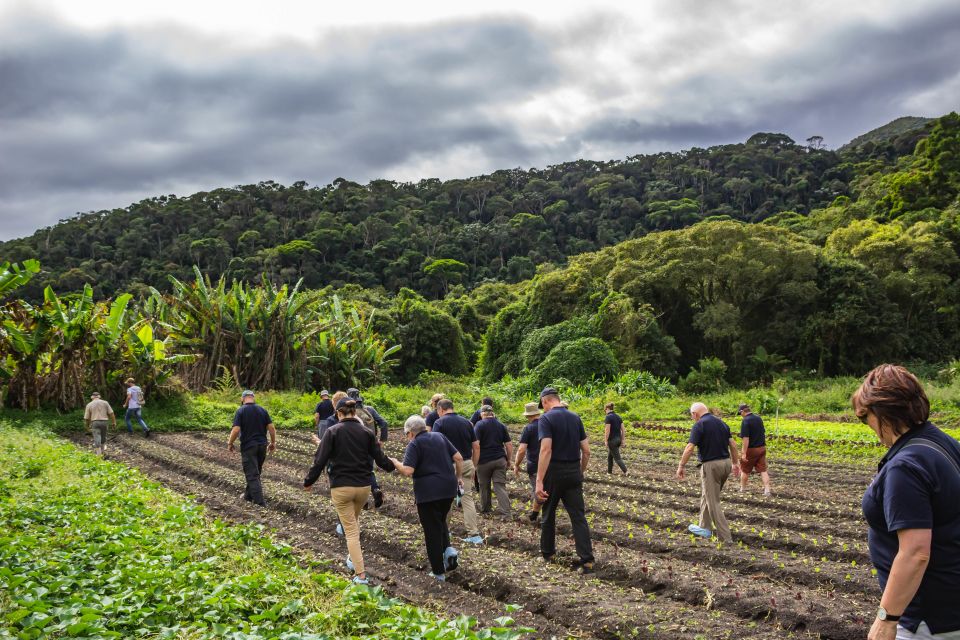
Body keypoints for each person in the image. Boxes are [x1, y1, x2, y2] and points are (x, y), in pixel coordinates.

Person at [854, 364, 960, 640]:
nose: (868, 426)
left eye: (866, 417)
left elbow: (915, 553)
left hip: (925, 619)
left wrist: (886, 618)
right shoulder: (944, 443)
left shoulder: (907, 465)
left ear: (881, 413)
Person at [304, 397, 396, 586]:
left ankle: (361, 576)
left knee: (351, 532)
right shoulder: (366, 432)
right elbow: (380, 459)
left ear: (339, 413)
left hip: (341, 487)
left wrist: (308, 481)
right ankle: (352, 559)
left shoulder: (332, 431)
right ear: (355, 412)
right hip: (362, 488)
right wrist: (392, 465)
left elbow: (319, 460)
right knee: (353, 523)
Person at [390, 415, 464, 582]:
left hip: (428, 493)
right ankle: (449, 551)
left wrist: (395, 463)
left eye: (406, 434)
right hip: (448, 489)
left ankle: (438, 572)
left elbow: (408, 470)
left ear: (410, 433)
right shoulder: (439, 436)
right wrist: (458, 477)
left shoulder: (414, 444)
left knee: (431, 531)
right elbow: (458, 458)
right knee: (440, 520)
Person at [535, 387, 595, 573]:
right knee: (578, 517)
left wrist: (539, 479)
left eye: (542, 406)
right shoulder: (575, 417)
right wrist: (580, 471)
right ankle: (587, 560)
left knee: (548, 513)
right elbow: (586, 450)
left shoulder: (546, 419)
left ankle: (548, 553)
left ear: (545, 401)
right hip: (573, 471)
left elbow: (546, 450)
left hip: (554, 471)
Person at [676, 402, 740, 543]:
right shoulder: (722, 423)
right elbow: (733, 445)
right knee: (707, 495)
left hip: (711, 466)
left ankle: (725, 538)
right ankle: (704, 529)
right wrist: (735, 463)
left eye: (692, 415)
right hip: (726, 464)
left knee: (713, 502)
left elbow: (689, 448)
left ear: (695, 414)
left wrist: (681, 465)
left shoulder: (699, 425)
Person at [432, 398, 483, 544]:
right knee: (467, 498)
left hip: (448, 465)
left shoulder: (439, 423)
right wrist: (473, 465)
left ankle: (444, 530)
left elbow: (435, 445)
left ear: (441, 409)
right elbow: (476, 446)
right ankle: (474, 534)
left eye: (438, 411)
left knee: (445, 498)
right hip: (466, 463)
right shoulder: (467, 422)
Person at [227, 390, 277, 507]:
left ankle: (260, 503)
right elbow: (271, 428)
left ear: (242, 399)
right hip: (262, 446)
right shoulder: (262, 410)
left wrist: (230, 443)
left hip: (249, 446)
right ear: (253, 398)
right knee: (255, 472)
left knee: (252, 474)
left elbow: (236, 430)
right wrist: (273, 442)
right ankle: (247, 497)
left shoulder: (241, 411)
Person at [346, 387, 387, 508]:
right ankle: (375, 489)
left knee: (355, 472)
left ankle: (362, 500)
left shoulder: (346, 412)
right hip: (371, 446)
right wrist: (381, 440)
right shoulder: (369, 410)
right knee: (368, 470)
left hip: (354, 447)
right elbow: (384, 423)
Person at [474, 405, 513, 518]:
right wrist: (508, 459)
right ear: (492, 413)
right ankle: (506, 513)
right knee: (500, 486)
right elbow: (509, 444)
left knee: (484, 486)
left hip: (484, 462)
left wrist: (475, 462)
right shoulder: (501, 425)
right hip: (500, 460)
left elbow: (476, 445)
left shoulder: (479, 425)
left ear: (482, 414)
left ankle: (486, 510)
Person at [514, 402, 543, 522]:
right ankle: (536, 515)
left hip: (535, 465)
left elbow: (521, 450)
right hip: (551, 464)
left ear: (528, 416)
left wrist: (516, 464)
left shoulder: (529, 428)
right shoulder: (548, 424)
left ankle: (535, 516)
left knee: (538, 491)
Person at [736, 403, 772, 496]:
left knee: (745, 470)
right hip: (762, 448)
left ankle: (742, 489)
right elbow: (762, 432)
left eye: (740, 414)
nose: (741, 416)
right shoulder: (758, 418)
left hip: (752, 449)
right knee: (763, 470)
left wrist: (744, 453)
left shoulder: (745, 421)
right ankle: (767, 490)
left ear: (742, 411)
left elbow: (746, 438)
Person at [84, 392, 116, 456]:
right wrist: (114, 422)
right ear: (99, 396)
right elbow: (111, 413)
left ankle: (99, 455)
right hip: (104, 422)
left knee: (97, 437)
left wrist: (87, 427)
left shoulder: (89, 404)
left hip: (95, 422)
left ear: (92, 397)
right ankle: (103, 452)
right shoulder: (105, 402)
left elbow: (87, 418)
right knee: (103, 437)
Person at [604, 402, 628, 475]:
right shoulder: (618, 417)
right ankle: (609, 472)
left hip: (612, 440)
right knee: (610, 456)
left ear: (607, 409)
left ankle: (626, 471)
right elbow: (623, 430)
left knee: (617, 458)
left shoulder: (608, 417)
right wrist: (623, 440)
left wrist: (605, 440)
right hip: (618, 440)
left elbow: (607, 430)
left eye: (605, 410)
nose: (605, 412)